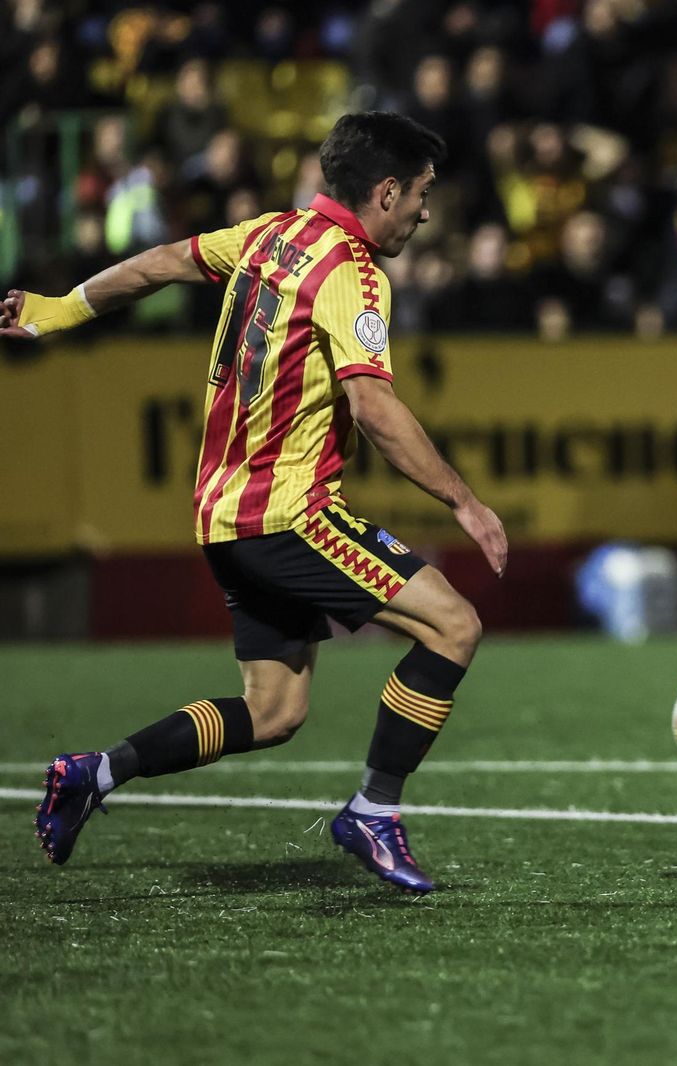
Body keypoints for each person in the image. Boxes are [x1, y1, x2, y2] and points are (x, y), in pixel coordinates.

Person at [6, 112, 507, 895]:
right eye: (420, 193)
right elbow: (374, 408)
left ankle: (94, 773)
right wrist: (465, 502)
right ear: (385, 192)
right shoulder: (352, 271)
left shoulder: (271, 234)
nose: (424, 211)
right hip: (288, 513)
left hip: (221, 517)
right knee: (454, 625)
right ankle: (374, 811)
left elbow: (163, 261)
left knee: (273, 712)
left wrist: (60, 308)